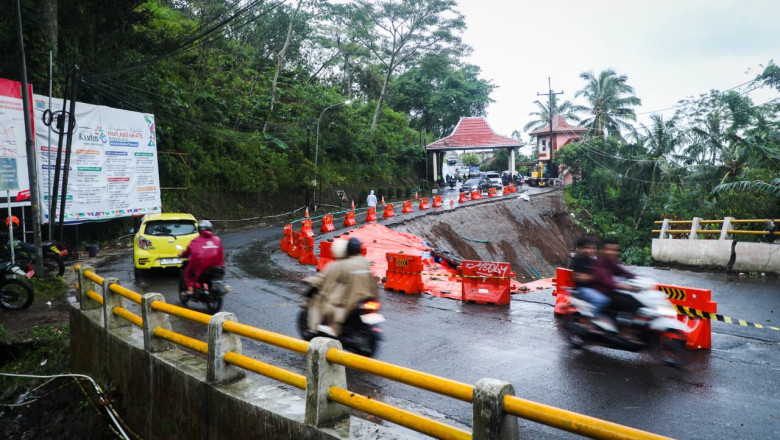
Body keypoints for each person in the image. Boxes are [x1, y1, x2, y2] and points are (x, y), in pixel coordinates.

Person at [305, 237, 379, 337]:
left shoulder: (341, 265)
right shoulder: (365, 262)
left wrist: (309, 280)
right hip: (367, 298)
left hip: (350, 302)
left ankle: (314, 330)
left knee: (320, 301)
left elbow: (324, 281)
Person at [589, 237, 640, 330]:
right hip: (603, 293)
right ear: (601, 250)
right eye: (609, 249)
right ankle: (625, 330)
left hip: (611, 292)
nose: (612, 252)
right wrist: (627, 287)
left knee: (633, 299)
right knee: (631, 304)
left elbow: (621, 271)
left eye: (614, 250)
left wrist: (637, 277)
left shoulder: (609, 263)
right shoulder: (599, 264)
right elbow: (609, 282)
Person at [568, 237, 612, 331]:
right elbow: (578, 276)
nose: (589, 250)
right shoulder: (577, 260)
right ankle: (588, 322)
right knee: (602, 300)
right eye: (586, 248)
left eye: (592, 248)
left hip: (593, 287)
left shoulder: (592, 260)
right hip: (583, 288)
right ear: (580, 249)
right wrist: (594, 277)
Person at [180, 220, 224, 296]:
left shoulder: (196, 240)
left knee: (187, 273)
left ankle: (191, 290)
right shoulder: (217, 239)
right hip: (219, 267)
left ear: (199, 230)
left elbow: (188, 251)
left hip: (203, 267)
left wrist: (182, 254)